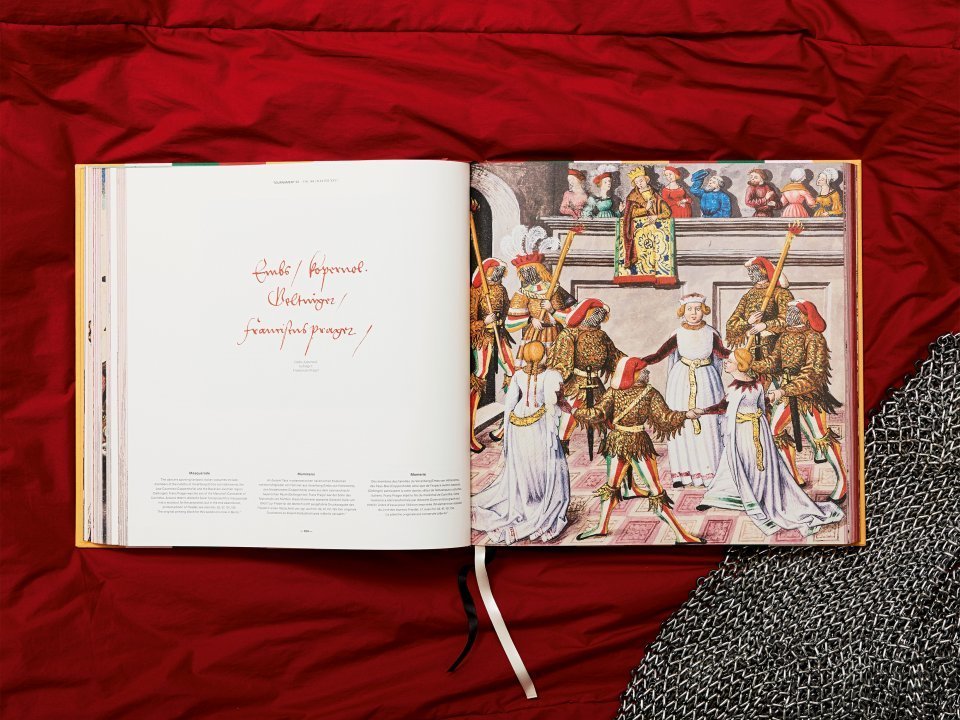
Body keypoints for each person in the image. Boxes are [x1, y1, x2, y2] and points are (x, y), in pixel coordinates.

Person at [697, 355, 844, 537]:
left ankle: (758, 498)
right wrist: (704, 411)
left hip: (752, 431)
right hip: (742, 431)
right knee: (735, 462)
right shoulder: (738, 386)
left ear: (740, 365)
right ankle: (727, 495)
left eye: (730, 361)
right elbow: (727, 406)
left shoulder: (751, 387)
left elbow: (756, 406)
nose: (725, 363)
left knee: (754, 464)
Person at [573, 357, 704, 543]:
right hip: (630, 442)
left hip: (620, 442)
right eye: (643, 370)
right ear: (633, 374)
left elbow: (663, 418)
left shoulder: (632, 392)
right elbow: (664, 418)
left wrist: (686, 415)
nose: (647, 373)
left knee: (625, 488)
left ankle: (680, 534)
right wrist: (686, 415)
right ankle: (602, 526)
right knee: (631, 488)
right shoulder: (642, 393)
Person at [471, 341, 571, 545]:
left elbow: (509, 405)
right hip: (540, 424)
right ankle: (541, 500)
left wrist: (507, 431)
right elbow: (556, 404)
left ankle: (528, 498)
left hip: (518, 423)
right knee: (543, 461)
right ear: (543, 355)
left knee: (525, 462)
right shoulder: (552, 375)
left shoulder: (518, 375)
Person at [749, 299, 849, 501]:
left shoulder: (814, 338)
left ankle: (842, 482)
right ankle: (794, 477)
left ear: (805, 316)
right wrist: (749, 362)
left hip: (809, 396)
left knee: (820, 437)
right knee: (774, 431)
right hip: (786, 394)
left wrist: (784, 390)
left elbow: (813, 373)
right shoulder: (785, 335)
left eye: (794, 313)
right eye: (789, 312)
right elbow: (774, 362)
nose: (789, 315)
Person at [642, 294, 728, 488]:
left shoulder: (711, 333)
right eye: (689, 309)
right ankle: (683, 475)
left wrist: (741, 356)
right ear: (683, 312)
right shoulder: (677, 333)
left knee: (707, 424)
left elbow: (722, 354)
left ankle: (709, 474)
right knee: (682, 424)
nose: (693, 313)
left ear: (703, 311)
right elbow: (659, 355)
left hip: (707, 380)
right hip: (680, 382)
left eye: (697, 309)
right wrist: (639, 362)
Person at [547, 299, 624, 454]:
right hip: (574, 385)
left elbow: (615, 357)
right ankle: (559, 453)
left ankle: (614, 452)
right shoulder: (569, 334)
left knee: (608, 417)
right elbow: (562, 364)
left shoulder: (601, 335)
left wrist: (631, 365)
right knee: (566, 421)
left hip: (596, 385)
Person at [500, 225, 576, 349]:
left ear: (539, 270)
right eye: (523, 272)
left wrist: (552, 310)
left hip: (556, 334)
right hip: (533, 336)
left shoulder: (554, 288)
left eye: (529, 270)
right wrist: (531, 320)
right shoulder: (523, 292)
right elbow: (510, 323)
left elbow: (572, 317)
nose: (526, 274)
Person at [469, 258, 515, 453]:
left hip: (500, 335)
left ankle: (506, 427)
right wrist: (484, 322)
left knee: (514, 374)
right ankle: (468, 434)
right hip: (483, 338)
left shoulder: (502, 290)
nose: (498, 273)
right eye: (494, 270)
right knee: (480, 375)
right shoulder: (476, 292)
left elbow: (507, 312)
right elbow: (468, 323)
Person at [616, 165, 678, 285]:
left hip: (654, 235)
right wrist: (646, 208)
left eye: (641, 181)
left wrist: (656, 217)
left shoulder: (655, 195)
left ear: (646, 179)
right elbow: (631, 213)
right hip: (638, 234)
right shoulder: (632, 197)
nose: (639, 184)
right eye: (636, 182)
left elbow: (667, 212)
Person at [725, 256, 794, 359]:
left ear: (764, 270)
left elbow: (789, 319)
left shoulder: (781, 293)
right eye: (749, 271)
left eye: (754, 270)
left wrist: (765, 325)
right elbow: (731, 323)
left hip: (774, 348)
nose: (750, 273)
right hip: (750, 348)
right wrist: (748, 322)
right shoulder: (749, 294)